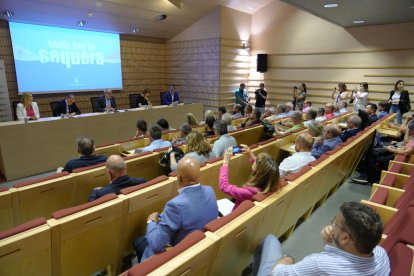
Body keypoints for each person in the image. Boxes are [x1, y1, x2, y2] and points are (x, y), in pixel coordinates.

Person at [253, 201, 390, 276]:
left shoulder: (319, 263)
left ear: (345, 237)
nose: (331, 225)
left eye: (334, 222)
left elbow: (276, 273)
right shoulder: (381, 254)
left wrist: (288, 259)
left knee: (270, 240)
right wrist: (329, 243)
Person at [134, 157, 218, 262]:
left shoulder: (175, 205)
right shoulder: (210, 190)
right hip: (201, 246)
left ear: (179, 178)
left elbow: (156, 244)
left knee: (139, 242)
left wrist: (151, 221)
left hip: (180, 255)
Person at [219, 145, 278, 210]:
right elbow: (262, 168)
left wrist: (225, 162)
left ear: (257, 172)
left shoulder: (248, 192)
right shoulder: (271, 182)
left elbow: (224, 186)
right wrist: (250, 154)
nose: (255, 161)